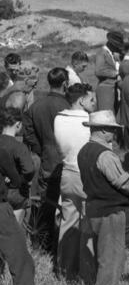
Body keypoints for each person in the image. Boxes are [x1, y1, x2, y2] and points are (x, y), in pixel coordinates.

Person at [77, 111, 129, 285]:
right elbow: (120, 182)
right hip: (110, 211)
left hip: (93, 208)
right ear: (104, 130)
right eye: (112, 130)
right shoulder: (106, 155)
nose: (114, 133)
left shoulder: (84, 150)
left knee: (96, 254)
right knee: (111, 257)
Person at [23, 67, 69, 252]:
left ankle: (42, 243)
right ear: (65, 83)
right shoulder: (68, 107)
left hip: (47, 159)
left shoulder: (36, 106)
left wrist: (40, 149)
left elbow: (28, 133)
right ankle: (63, 243)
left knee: (46, 202)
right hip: (65, 160)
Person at [53, 83, 95, 283]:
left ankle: (64, 269)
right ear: (81, 100)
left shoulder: (59, 118)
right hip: (85, 175)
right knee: (87, 225)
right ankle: (86, 272)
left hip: (67, 171)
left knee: (67, 221)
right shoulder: (89, 121)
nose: (93, 103)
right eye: (91, 99)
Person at [0, 107, 35, 285]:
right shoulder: (11, 146)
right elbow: (21, 174)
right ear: (18, 124)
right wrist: (17, 180)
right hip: (7, 200)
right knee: (19, 254)